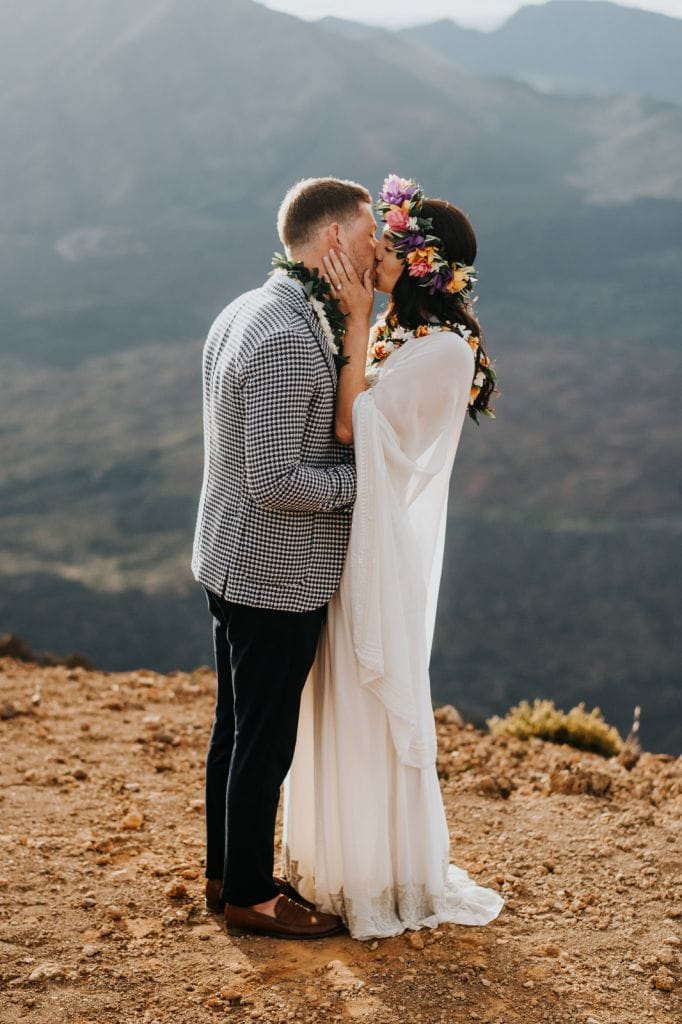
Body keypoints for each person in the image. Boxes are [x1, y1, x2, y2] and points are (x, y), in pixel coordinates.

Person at [282, 174, 505, 940]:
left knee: (373, 705)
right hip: (353, 541)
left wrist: (353, 319)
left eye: (388, 239)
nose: (372, 246)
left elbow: (352, 429)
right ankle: (337, 860)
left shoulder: (444, 351)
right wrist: (366, 324)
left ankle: (382, 872)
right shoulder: (403, 336)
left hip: (384, 553)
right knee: (338, 699)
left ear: (417, 263)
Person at [191, 176, 377, 939]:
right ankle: (250, 896)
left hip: (231, 559)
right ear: (333, 240)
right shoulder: (287, 338)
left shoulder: (248, 306)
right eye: (369, 239)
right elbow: (274, 481)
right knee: (262, 740)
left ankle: (222, 872)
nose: (378, 254)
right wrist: (372, 484)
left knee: (235, 728)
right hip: (272, 574)